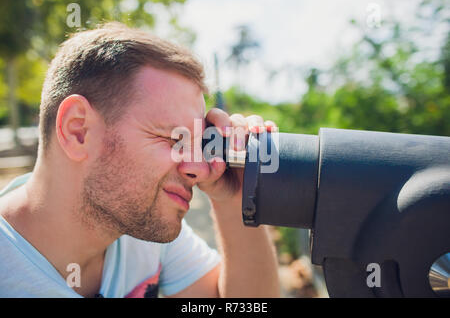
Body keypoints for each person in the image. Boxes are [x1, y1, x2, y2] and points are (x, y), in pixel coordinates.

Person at [0, 22, 280, 298]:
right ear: (78, 131)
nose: (199, 168)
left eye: (200, 145)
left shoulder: (139, 229)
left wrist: (236, 197)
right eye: (175, 140)